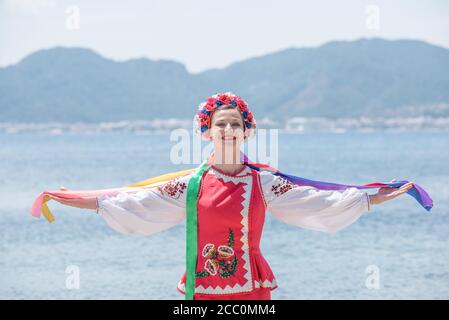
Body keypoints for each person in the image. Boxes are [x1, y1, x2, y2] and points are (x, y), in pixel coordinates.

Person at [48, 92, 415, 300]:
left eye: (234, 124)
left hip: (253, 289)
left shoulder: (263, 183)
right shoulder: (190, 185)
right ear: (207, 132)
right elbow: (138, 202)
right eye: (219, 124)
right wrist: (85, 201)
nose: (227, 129)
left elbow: (315, 200)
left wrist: (369, 198)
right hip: (202, 286)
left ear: (246, 132)